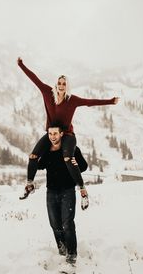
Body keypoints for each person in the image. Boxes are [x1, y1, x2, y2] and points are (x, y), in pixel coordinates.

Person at [17, 57, 119, 198]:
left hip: (68, 136)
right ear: (56, 84)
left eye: (64, 83)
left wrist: (110, 101)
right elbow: (34, 79)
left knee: (67, 158)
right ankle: (29, 185)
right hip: (52, 133)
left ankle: (82, 188)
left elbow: (90, 102)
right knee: (33, 156)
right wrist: (21, 65)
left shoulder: (72, 100)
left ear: (67, 86)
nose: (61, 85)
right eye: (59, 83)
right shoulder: (47, 93)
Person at [26, 124, 88, 274]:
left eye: (55, 133)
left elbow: (84, 166)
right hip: (51, 192)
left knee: (67, 223)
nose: (52, 136)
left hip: (68, 191)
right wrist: (33, 159)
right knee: (55, 224)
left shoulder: (71, 149)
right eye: (50, 134)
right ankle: (62, 250)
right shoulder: (47, 151)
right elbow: (39, 165)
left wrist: (76, 163)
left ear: (61, 134)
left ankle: (71, 257)